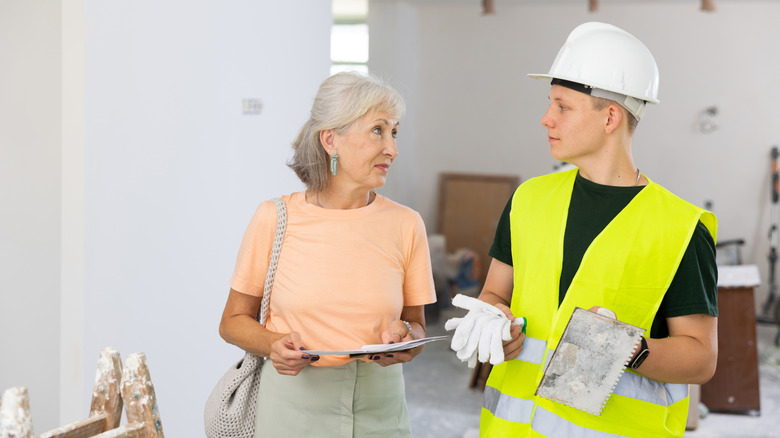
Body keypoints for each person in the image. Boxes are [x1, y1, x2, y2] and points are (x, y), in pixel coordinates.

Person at [476, 22, 718, 437]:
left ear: (610, 116)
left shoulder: (679, 228)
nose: (545, 119)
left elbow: (700, 359)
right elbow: (496, 293)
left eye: (562, 106)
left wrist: (627, 349)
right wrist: (494, 324)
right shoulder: (528, 200)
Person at [218, 71, 436, 437]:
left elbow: (416, 324)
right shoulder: (274, 218)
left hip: (381, 411)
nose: (392, 148)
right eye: (377, 130)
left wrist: (405, 339)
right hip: (291, 411)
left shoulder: (407, 224)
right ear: (331, 139)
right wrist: (274, 344)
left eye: (394, 132)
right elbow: (232, 321)